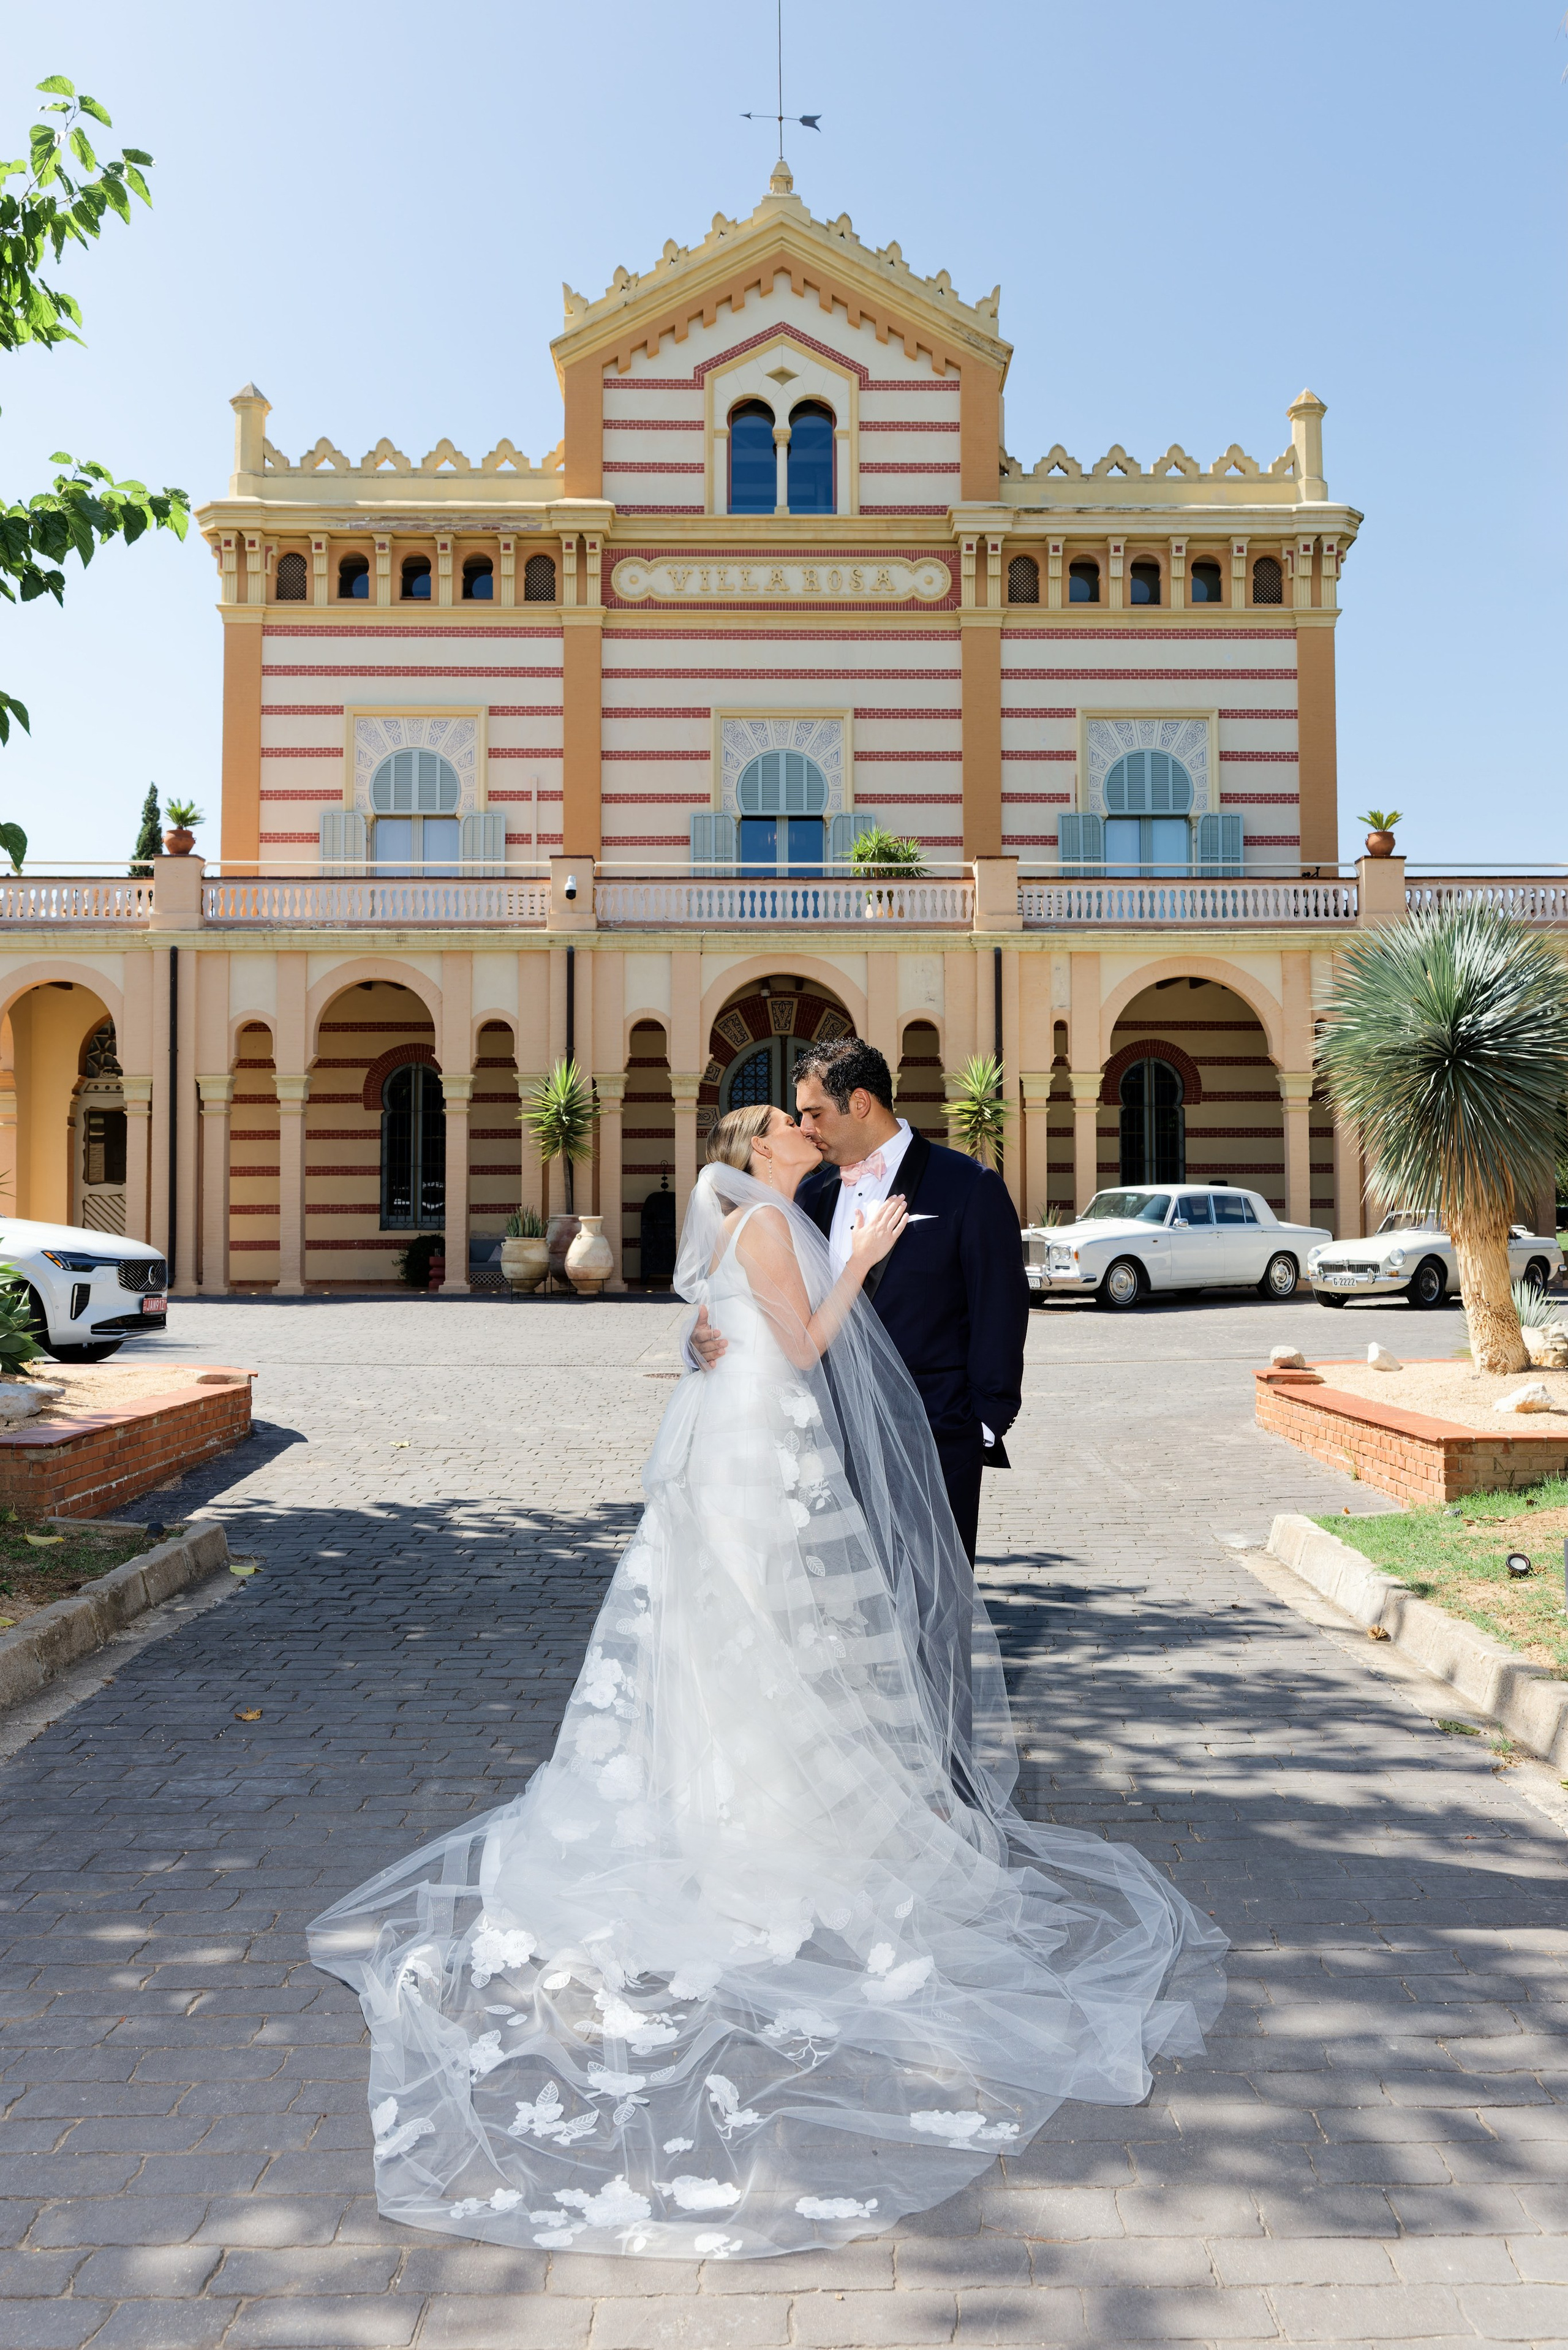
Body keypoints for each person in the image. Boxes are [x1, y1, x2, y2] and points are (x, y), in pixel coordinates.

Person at [308, 1102, 1226, 2262]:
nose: (804, 1129)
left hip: (764, 1443)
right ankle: (746, 1813)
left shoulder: (768, 1213)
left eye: (810, 1118)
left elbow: (726, 1321)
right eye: (789, 1125)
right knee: (756, 1628)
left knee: (771, 1635)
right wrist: (863, 1265)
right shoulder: (765, 1221)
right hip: (760, 1447)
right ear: (761, 1151)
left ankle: (760, 1793)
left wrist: (756, 1308)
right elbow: (800, 1343)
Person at [688, 1036, 1030, 1567]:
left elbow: (1001, 1309)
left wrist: (983, 1423)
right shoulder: (808, 1197)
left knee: (934, 1619)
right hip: (826, 1443)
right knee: (848, 1619)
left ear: (861, 1103)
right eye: (797, 1116)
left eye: (815, 1113)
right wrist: (699, 1341)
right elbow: (768, 1303)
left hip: (934, 1437)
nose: (805, 1128)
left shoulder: (968, 1186)